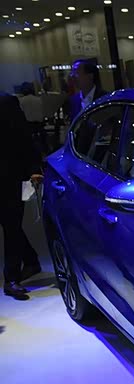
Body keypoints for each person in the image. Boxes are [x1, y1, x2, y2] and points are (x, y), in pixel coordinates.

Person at [1, 93, 41, 298]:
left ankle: (11, 278)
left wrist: (34, 168)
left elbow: (23, 137)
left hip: (7, 176)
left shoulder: (6, 102)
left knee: (11, 225)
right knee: (9, 223)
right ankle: (31, 260)